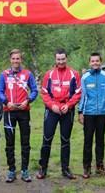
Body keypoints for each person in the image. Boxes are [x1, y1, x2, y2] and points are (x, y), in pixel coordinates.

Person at [36, 48, 81, 180]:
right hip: (52, 110)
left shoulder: (74, 74)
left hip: (67, 109)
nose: (61, 61)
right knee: (47, 139)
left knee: (65, 140)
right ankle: (43, 169)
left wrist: (69, 105)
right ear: (55, 60)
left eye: (63, 59)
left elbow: (78, 92)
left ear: (66, 59)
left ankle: (65, 169)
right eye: (58, 59)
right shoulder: (49, 74)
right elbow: (44, 92)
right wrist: (52, 105)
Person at [0, 49, 38, 183]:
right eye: (13, 58)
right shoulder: (4, 74)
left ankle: (25, 170)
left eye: (18, 58)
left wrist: (28, 100)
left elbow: (35, 90)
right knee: (10, 142)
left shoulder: (27, 74)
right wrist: (6, 102)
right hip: (9, 111)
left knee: (25, 142)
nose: (16, 61)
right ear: (10, 60)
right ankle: (11, 170)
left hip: (23, 111)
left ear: (21, 60)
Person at [78, 52, 105, 179]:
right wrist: (80, 112)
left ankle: (99, 167)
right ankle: (86, 168)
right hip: (88, 114)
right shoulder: (84, 78)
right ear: (89, 63)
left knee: (100, 141)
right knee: (87, 141)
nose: (95, 63)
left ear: (101, 62)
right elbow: (82, 96)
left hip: (102, 114)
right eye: (92, 61)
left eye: (97, 61)